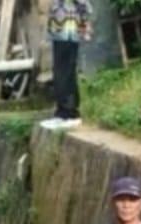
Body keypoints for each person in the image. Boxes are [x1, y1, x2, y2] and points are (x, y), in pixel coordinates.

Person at [42, 0, 94, 129]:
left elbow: (82, 5)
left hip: (69, 27)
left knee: (65, 72)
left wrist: (85, 27)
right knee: (61, 71)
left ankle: (69, 113)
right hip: (61, 28)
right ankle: (63, 112)